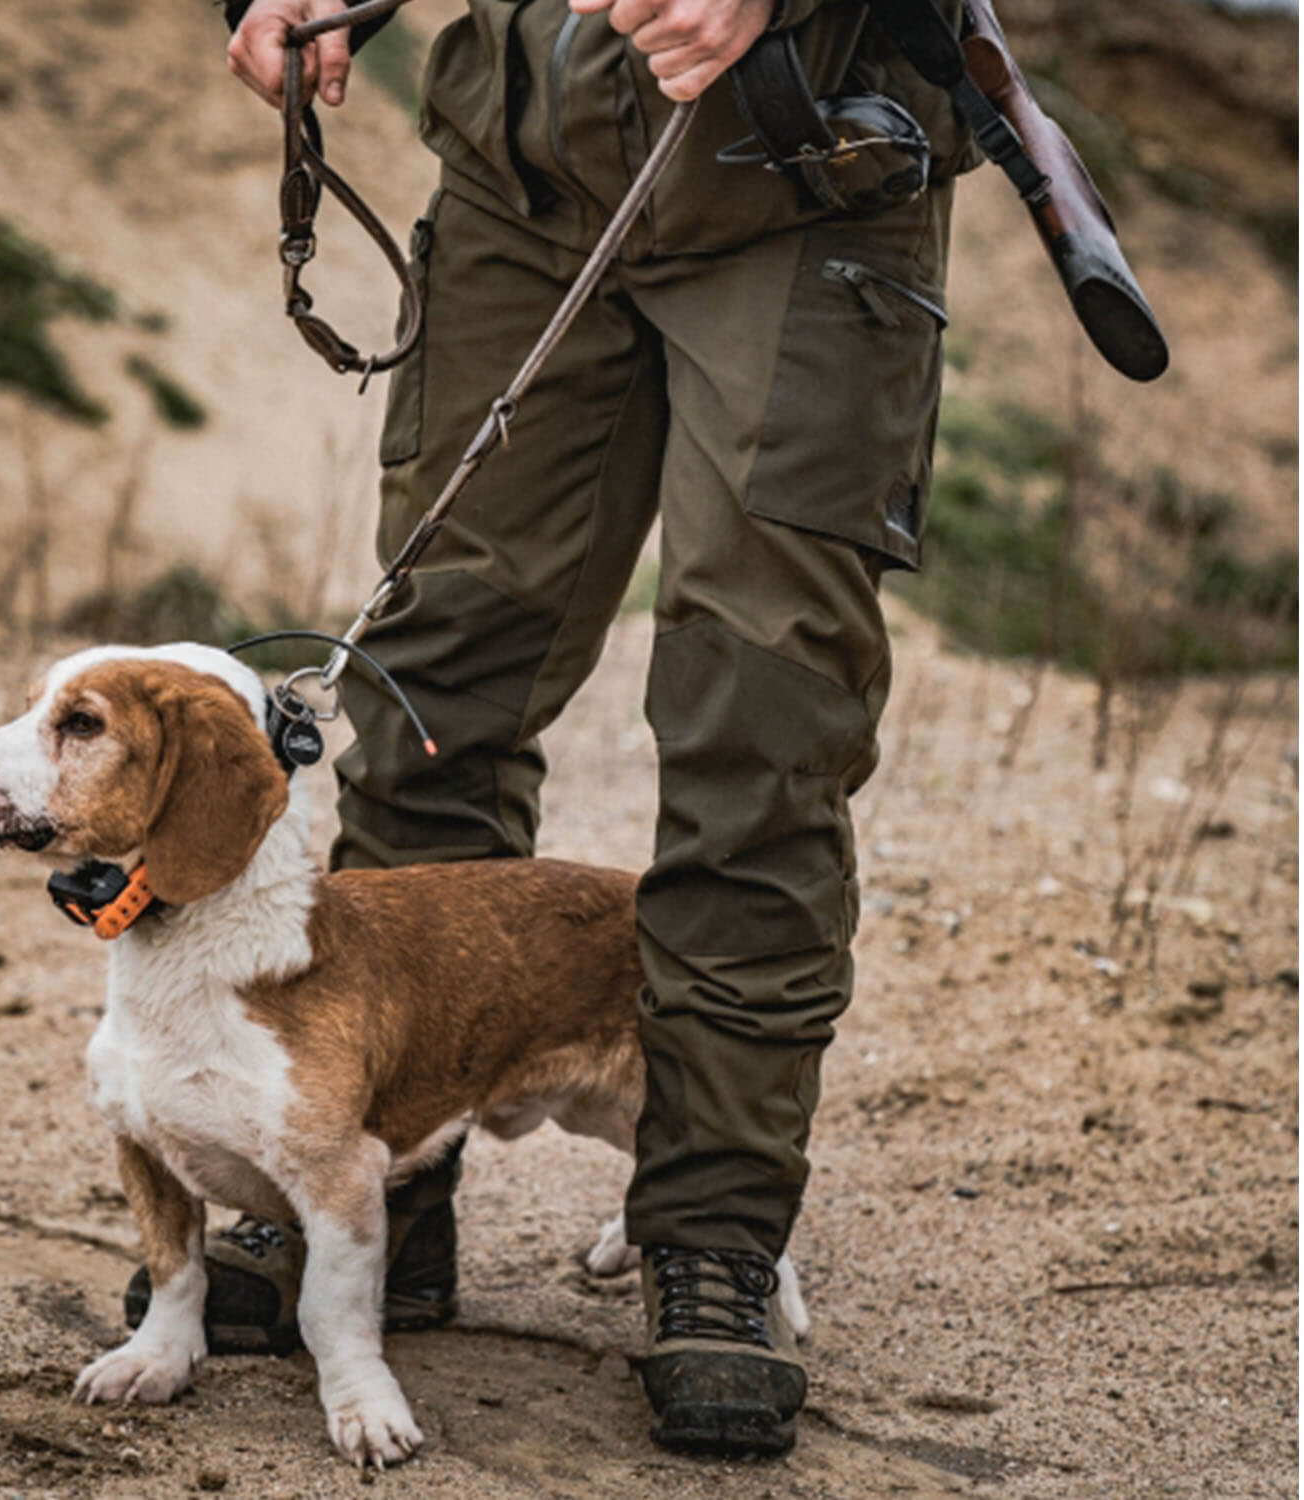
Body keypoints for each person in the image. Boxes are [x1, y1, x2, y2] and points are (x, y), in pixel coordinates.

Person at [126, 0, 976, 1456]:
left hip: (811, 172)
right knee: (430, 692)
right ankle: (372, 1179)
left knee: (760, 726)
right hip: (528, 168)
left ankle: (710, 1221)